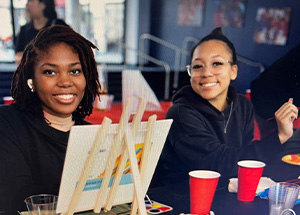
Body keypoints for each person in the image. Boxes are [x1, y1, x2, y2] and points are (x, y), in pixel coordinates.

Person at [152, 27, 298, 188]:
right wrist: (279, 137)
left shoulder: (243, 105)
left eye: (217, 63)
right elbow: (217, 164)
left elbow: (244, 158)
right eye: (197, 66)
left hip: (225, 192)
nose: (206, 73)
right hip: (182, 200)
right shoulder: (181, 114)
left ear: (233, 71)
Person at [0, 25, 101, 212]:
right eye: (50, 72)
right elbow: (13, 197)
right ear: (32, 80)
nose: (65, 82)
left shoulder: (94, 135)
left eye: (75, 71)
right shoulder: (6, 123)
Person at [14, 0, 68, 64]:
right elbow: (18, 55)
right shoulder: (24, 29)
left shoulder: (58, 26)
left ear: (43, 5)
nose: (27, 5)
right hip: (31, 72)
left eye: (31, 1)